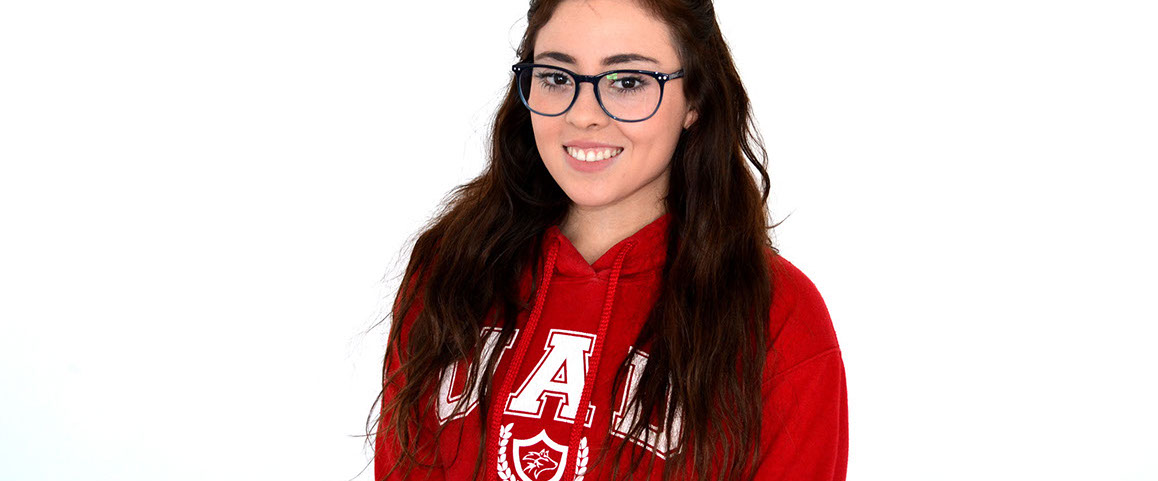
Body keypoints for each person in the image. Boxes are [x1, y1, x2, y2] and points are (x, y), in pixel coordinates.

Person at [368, 0, 847, 480]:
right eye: (556, 77)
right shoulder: (451, 269)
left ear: (695, 100)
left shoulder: (779, 315)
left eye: (628, 82)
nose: (583, 115)